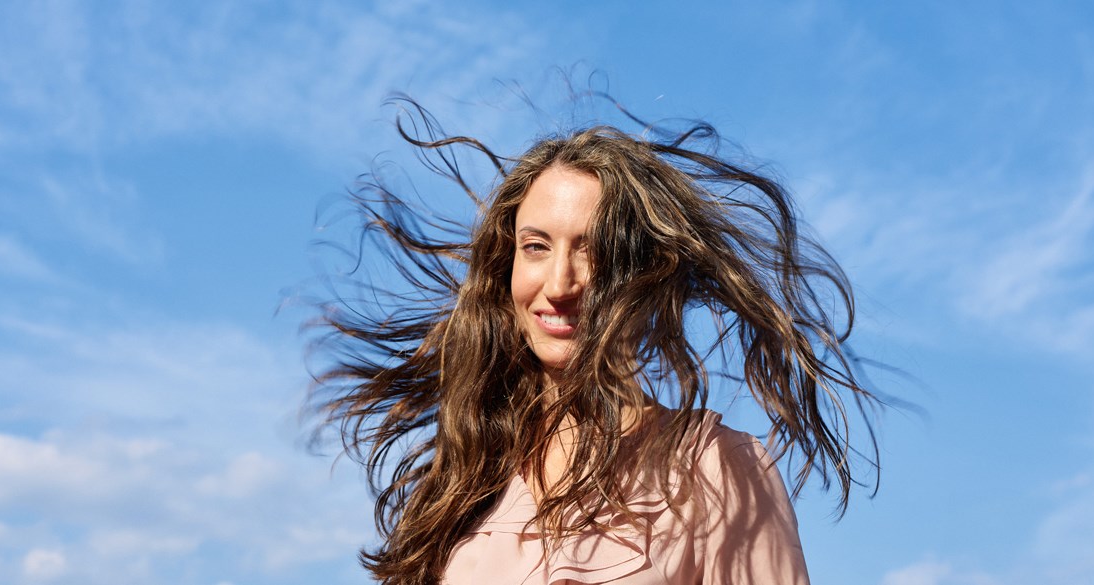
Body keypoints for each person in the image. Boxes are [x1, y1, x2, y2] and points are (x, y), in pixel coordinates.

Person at [308, 95, 881, 584]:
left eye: (594, 251)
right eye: (536, 247)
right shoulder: (460, 488)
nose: (559, 285)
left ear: (646, 275)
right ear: (506, 267)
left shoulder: (719, 470)